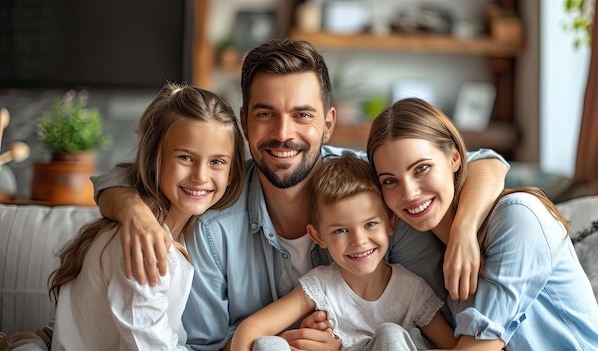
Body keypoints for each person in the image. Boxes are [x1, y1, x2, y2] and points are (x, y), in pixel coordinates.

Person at [92, 38, 510, 350]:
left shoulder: (371, 184)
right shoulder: (214, 217)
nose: (283, 134)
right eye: (265, 115)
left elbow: (488, 161)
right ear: (243, 122)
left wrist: (465, 231)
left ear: (328, 123)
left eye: (302, 115)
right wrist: (134, 210)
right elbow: (124, 176)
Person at [366, 97, 598, 351]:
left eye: (421, 168)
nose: (408, 193)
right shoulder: (427, 252)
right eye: (390, 181)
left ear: (454, 158)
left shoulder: (519, 216)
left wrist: (463, 230)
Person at [48, 83, 246, 350]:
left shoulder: (181, 234)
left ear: (231, 173)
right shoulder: (145, 244)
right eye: (186, 158)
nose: (201, 176)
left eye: (217, 162)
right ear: (156, 160)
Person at [231, 155, 457, 351]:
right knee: (268, 345)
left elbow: (456, 348)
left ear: (390, 224)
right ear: (318, 237)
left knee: (390, 334)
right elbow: (253, 327)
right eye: (341, 230)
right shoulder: (320, 286)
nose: (359, 240)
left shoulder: (412, 290)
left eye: (370, 224)